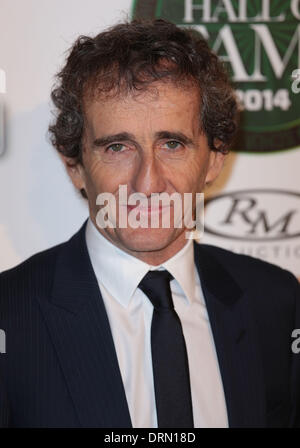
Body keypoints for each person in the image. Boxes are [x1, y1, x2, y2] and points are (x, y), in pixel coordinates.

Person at [0, 18, 299, 428]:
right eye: (118, 147)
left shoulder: (277, 302)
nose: (147, 182)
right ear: (75, 165)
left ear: (214, 159)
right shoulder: (9, 315)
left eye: (172, 144)